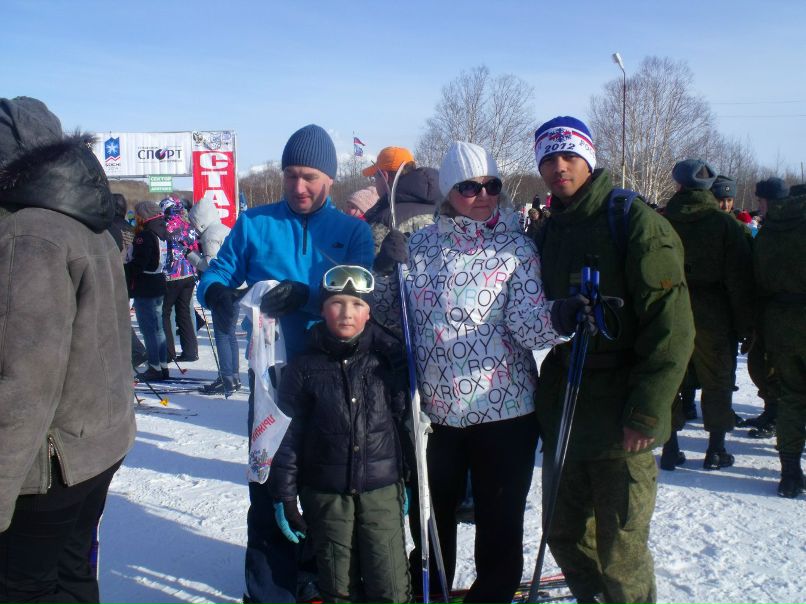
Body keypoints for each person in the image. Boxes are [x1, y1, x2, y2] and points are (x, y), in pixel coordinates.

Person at [375, 141, 577, 604]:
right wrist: (384, 270)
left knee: (499, 524)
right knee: (430, 520)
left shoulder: (517, 248)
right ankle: (432, 593)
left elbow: (527, 325)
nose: (483, 195)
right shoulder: (420, 245)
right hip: (436, 416)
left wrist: (560, 317)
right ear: (449, 191)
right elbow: (388, 315)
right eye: (469, 187)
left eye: (491, 185)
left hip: (504, 413)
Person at [197, 124, 374, 604]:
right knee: (269, 482)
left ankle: (317, 574)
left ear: (329, 178)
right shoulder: (255, 224)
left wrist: (309, 297)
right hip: (271, 381)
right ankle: (268, 588)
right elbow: (217, 273)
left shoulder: (353, 232)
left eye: (310, 176)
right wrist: (216, 293)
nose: (299, 186)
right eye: (291, 175)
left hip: (332, 378)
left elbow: (362, 297)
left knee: (325, 483)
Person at [531, 116, 694, 604]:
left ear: (589, 159)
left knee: (621, 551)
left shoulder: (634, 222)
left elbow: (672, 328)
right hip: (567, 405)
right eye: (549, 159)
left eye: (569, 156)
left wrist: (647, 410)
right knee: (562, 532)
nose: (559, 167)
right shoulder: (549, 231)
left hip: (622, 410)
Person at [0, 96, 135, 603]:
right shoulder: (85, 219)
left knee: (24, 587)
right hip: (95, 444)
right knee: (71, 572)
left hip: (49, 464)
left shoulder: (29, 232)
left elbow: (24, 379)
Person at [270, 265, 412, 604]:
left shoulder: (387, 361)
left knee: (390, 585)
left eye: (357, 304)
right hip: (326, 496)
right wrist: (285, 496)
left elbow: (404, 423)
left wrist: (408, 478)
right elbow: (286, 438)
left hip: (381, 490)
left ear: (369, 313)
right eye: (336, 303)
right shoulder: (303, 368)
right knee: (338, 587)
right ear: (321, 309)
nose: (347, 313)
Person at [662, 159, 754, 470]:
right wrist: (746, 326)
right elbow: (739, 280)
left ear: (679, 185)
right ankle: (715, 449)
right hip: (715, 313)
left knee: (670, 377)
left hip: (671, 306)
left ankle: (670, 448)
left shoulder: (662, 221)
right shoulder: (726, 225)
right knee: (718, 380)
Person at [752, 177, 806, 497]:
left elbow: (757, 279)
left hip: (780, 324)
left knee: (791, 398)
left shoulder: (768, 231)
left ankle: (789, 472)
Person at [186, 196, 241, 395]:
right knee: (230, 334)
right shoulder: (225, 228)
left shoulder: (210, 235)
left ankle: (226, 378)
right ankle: (233, 376)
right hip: (234, 287)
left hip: (220, 290)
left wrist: (191, 256)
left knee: (223, 335)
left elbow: (212, 266)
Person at [362, 146, 440, 253]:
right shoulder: (441, 210)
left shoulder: (385, 222)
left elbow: (364, 262)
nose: (374, 182)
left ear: (384, 176)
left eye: (374, 177)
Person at [126, 201, 170, 381]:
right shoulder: (161, 230)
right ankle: (162, 365)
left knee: (149, 329)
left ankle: (154, 366)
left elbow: (140, 263)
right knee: (158, 328)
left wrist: (125, 269)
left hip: (146, 285)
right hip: (158, 281)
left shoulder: (145, 235)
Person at [160, 195, 200, 363]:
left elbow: (163, 251)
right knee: (184, 312)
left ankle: (168, 353)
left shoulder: (165, 226)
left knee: (165, 312)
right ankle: (190, 351)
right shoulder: (188, 226)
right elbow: (195, 246)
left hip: (172, 274)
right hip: (189, 272)